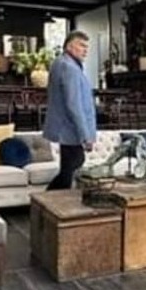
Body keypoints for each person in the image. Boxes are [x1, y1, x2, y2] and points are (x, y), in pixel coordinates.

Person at [44, 31, 96, 190]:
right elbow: (74, 104)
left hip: (66, 128)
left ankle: (50, 199)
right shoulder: (69, 67)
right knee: (72, 168)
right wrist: (85, 135)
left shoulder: (61, 63)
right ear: (69, 46)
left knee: (70, 168)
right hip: (70, 129)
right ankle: (46, 199)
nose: (85, 50)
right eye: (82, 45)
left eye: (87, 47)